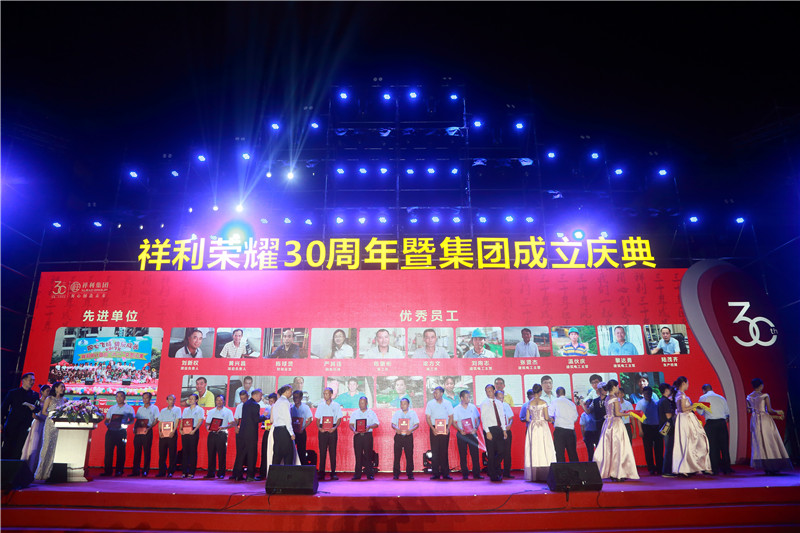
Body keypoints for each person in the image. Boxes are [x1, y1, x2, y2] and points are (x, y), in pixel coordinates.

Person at [593, 380, 639, 481]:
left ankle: (612, 472)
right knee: (619, 448)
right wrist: (629, 413)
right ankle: (618, 473)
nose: (618, 388)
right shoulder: (615, 398)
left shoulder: (607, 398)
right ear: (614, 387)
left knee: (610, 449)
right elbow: (617, 413)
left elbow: (612, 411)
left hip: (608, 424)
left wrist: (624, 412)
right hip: (616, 424)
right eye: (617, 386)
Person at [746, 378, 792, 474]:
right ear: (761, 385)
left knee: (760, 442)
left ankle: (766, 466)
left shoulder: (749, 397)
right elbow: (770, 410)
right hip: (764, 419)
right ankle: (773, 466)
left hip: (755, 420)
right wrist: (778, 412)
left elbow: (749, 410)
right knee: (770, 440)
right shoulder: (765, 395)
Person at [671, 376, 712, 476]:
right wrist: (695, 405)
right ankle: (686, 467)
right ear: (684, 383)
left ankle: (694, 466)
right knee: (689, 442)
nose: (688, 385)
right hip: (685, 419)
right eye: (687, 383)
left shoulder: (680, 394)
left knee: (692, 442)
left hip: (685, 419)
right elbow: (682, 409)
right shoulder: (681, 395)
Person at [2, 372, 40, 460]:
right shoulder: (13, 393)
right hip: (12, 423)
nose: (32, 382)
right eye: (30, 380)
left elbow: (38, 408)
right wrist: (1, 422)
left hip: (25, 425)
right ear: (24, 380)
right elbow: (4, 407)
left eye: (33, 380)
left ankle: (15, 466)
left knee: (19, 447)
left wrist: (34, 408)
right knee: (7, 445)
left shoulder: (35, 394)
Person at [698, 384, 734, 475]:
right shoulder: (721, 398)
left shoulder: (704, 397)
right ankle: (727, 468)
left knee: (713, 447)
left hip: (711, 424)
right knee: (724, 446)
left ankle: (715, 468)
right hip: (722, 423)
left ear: (704, 390)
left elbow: (700, 412)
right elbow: (727, 412)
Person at [231, 389, 266, 481]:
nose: (261, 398)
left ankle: (238, 475)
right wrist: (264, 416)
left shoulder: (246, 404)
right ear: (256, 395)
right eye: (260, 396)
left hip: (243, 433)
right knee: (251, 454)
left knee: (241, 454)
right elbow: (256, 419)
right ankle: (250, 476)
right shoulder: (255, 405)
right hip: (251, 434)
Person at [33, 382, 66, 480]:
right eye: (61, 387)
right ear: (55, 388)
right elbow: (44, 412)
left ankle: (48, 473)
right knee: (46, 446)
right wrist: (53, 415)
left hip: (59, 426)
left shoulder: (64, 400)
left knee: (55, 447)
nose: (63, 389)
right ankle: (40, 472)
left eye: (64, 387)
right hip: (50, 424)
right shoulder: (49, 398)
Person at [524, 384, 556, 481]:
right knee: (544, 447)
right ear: (540, 392)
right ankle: (545, 472)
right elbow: (546, 417)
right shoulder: (543, 402)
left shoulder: (530, 403)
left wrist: (534, 420)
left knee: (534, 448)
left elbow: (527, 419)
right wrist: (551, 419)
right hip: (542, 426)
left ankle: (534, 472)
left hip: (533, 426)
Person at [102, 390, 135, 477]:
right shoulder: (112, 408)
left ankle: (119, 470)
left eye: (121, 396)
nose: (119, 398)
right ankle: (108, 471)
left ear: (124, 398)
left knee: (121, 452)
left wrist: (125, 423)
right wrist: (108, 425)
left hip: (121, 432)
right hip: (111, 431)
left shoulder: (129, 408)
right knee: (108, 452)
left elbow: (132, 420)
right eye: (117, 396)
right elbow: (107, 420)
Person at [425, 386, 454, 480]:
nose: (435, 394)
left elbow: (451, 416)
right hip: (434, 428)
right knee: (435, 451)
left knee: (444, 451)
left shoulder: (448, 403)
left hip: (445, 427)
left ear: (442, 393)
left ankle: (445, 473)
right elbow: (427, 417)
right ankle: (436, 473)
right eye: (434, 393)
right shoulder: (430, 403)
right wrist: (432, 429)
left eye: (436, 393)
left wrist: (448, 428)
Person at [267, 385, 299, 470]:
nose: (291, 393)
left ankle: (273, 476)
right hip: (284, 430)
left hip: (277, 431)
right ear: (287, 391)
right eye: (291, 391)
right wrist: (291, 433)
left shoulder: (277, 402)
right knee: (288, 455)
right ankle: (288, 476)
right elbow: (287, 419)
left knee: (277, 455)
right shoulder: (285, 402)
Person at [480, 384, 507, 482]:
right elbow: (483, 418)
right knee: (491, 453)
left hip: (498, 429)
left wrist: (504, 430)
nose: (488, 393)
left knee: (502, 451)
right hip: (490, 429)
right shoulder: (484, 403)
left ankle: (492, 467)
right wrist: (487, 431)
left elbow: (502, 416)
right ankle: (493, 475)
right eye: (487, 391)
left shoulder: (499, 403)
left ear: (494, 390)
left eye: (490, 391)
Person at [453, 390, 482, 480]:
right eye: (466, 397)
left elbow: (478, 418)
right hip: (462, 434)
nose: (468, 399)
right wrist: (460, 430)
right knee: (463, 454)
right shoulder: (456, 409)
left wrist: (476, 428)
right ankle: (465, 474)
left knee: (475, 454)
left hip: (472, 434)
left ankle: (476, 474)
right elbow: (453, 422)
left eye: (469, 397)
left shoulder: (473, 407)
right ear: (461, 398)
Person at [315, 387, 343, 480]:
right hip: (322, 430)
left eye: (327, 394)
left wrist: (335, 428)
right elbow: (318, 419)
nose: (325, 395)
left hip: (332, 429)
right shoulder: (320, 405)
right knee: (322, 452)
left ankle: (333, 473)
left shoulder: (336, 405)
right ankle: (321, 473)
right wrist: (319, 428)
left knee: (332, 452)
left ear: (331, 394)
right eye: (324, 394)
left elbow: (339, 418)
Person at [21, 384, 49, 473]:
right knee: (34, 443)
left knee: (42, 444)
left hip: (45, 424)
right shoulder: (37, 401)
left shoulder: (49, 402)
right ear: (42, 392)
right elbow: (34, 414)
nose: (48, 393)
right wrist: (40, 418)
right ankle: (30, 466)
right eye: (47, 391)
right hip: (38, 423)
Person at [204, 394, 234, 478]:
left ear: (224, 401)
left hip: (222, 434)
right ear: (215, 401)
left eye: (221, 400)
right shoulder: (211, 411)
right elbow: (207, 423)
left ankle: (221, 473)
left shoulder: (228, 411)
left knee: (222, 454)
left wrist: (224, 427)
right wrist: (207, 427)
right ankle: (211, 473)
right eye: (217, 400)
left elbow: (232, 423)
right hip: (212, 434)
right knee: (211, 454)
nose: (219, 402)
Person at [635, 386, 663, 475]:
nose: (648, 395)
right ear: (643, 393)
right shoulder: (640, 403)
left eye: (650, 393)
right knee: (648, 449)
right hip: (646, 427)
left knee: (659, 448)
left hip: (656, 427)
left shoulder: (656, 402)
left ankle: (659, 467)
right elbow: (638, 418)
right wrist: (640, 430)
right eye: (646, 393)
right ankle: (651, 468)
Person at [349, 396, 379, 480]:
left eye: (362, 403)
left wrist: (369, 426)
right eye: (359, 403)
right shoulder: (355, 413)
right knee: (358, 455)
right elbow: (351, 424)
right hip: (358, 436)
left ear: (366, 403)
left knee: (368, 455)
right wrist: (354, 430)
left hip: (367, 436)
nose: (361, 405)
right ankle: (357, 474)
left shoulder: (371, 413)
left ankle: (369, 474)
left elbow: (376, 424)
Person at [131, 391, 159, 476]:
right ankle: (135, 470)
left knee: (147, 451)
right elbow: (137, 420)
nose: (145, 400)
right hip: (139, 431)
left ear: (150, 399)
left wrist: (149, 428)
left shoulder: (155, 408)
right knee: (137, 451)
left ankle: (145, 470)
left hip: (148, 430)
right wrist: (134, 428)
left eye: (146, 398)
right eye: (143, 398)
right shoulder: (140, 408)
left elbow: (156, 420)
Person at [391, 397, 419, 480]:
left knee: (409, 455)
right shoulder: (397, 413)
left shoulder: (413, 413)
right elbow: (393, 424)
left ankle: (410, 473)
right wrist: (396, 428)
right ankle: (396, 473)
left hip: (408, 436)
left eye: (404, 404)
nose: (402, 405)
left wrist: (411, 430)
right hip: (399, 436)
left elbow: (417, 424)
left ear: (408, 404)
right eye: (401, 404)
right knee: (397, 456)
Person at [550, 386, 579, 463]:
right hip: (570, 431)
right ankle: (575, 470)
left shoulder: (555, 401)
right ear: (565, 393)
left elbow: (550, 414)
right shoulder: (571, 403)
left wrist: (554, 421)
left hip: (560, 431)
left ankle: (561, 470)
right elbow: (575, 417)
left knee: (560, 454)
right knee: (573, 454)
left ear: (557, 394)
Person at [155, 394, 181, 477]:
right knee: (162, 453)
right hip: (163, 433)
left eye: (173, 399)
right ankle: (162, 471)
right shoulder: (163, 410)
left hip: (172, 432)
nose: (172, 401)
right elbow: (160, 422)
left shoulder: (177, 409)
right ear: (167, 401)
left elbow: (177, 421)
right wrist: (160, 431)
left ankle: (171, 471)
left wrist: (173, 431)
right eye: (170, 399)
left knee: (172, 453)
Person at [180, 392, 205, 478]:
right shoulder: (185, 410)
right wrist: (180, 429)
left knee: (192, 452)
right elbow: (183, 420)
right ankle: (184, 472)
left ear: (197, 400)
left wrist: (194, 430)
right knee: (185, 451)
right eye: (189, 398)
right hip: (185, 431)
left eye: (192, 399)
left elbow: (200, 421)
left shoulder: (200, 409)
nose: (190, 400)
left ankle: (191, 472)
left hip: (193, 431)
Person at [229, 389, 250, 479]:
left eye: (244, 398)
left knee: (246, 452)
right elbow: (236, 419)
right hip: (240, 431)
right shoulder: (239, 406)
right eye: (241, 399)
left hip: (248, 432)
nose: (243, 400)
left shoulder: (251, 406)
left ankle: (244, 473)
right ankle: (236, 473)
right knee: (239, 452)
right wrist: (236, 427)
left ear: (248, 397)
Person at [257, 393, 278, 479]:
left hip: (276, 432)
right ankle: (263, 472)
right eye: (269, 401)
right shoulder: (268, 408)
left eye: (272, 401)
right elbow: (263, 420)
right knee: (264, 452)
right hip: (267, 431)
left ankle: (273, 473)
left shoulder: (278, 408)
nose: (270, 403)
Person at [658, 382, 677, 477]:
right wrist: (675, 412)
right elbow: (668, 415)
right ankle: (666, 471)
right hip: (668, 428)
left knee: (668, 449)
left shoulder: (661, 400)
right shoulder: (665, 401)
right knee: (669, 450)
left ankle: (667, 470)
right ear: (666, 390)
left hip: (663, 427)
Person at [495, 390, 515, 478]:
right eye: (499, 398)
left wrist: (509, 424)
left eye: (502, 398)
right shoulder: (493, 406)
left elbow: (511, 418)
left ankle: (507, 473)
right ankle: (497, 472)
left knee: (507, 452)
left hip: (506, 430)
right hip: (497, 431)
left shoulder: (506, 405)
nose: (501, 400)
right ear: (495, 398)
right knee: (498, 452)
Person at [290, 389, 313, 463]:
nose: (295, 399)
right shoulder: (291, 407)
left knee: (301, 451)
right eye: (294, 397)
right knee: (291, 451)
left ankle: (302, 467)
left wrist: (303, 428)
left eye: (297, 397)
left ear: (301, 398)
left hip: (301, 432)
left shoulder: (305, 407)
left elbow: (310, 419)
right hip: (292, 432)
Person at [585, 381, 607, 455]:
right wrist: (582, 404)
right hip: (598, 426)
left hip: (608, 425)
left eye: (606, 388)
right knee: (599, 444)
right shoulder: (595, 401)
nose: (605, 390)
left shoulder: (610, 399)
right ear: (599, 390)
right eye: (603, 389)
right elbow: (588, 411)